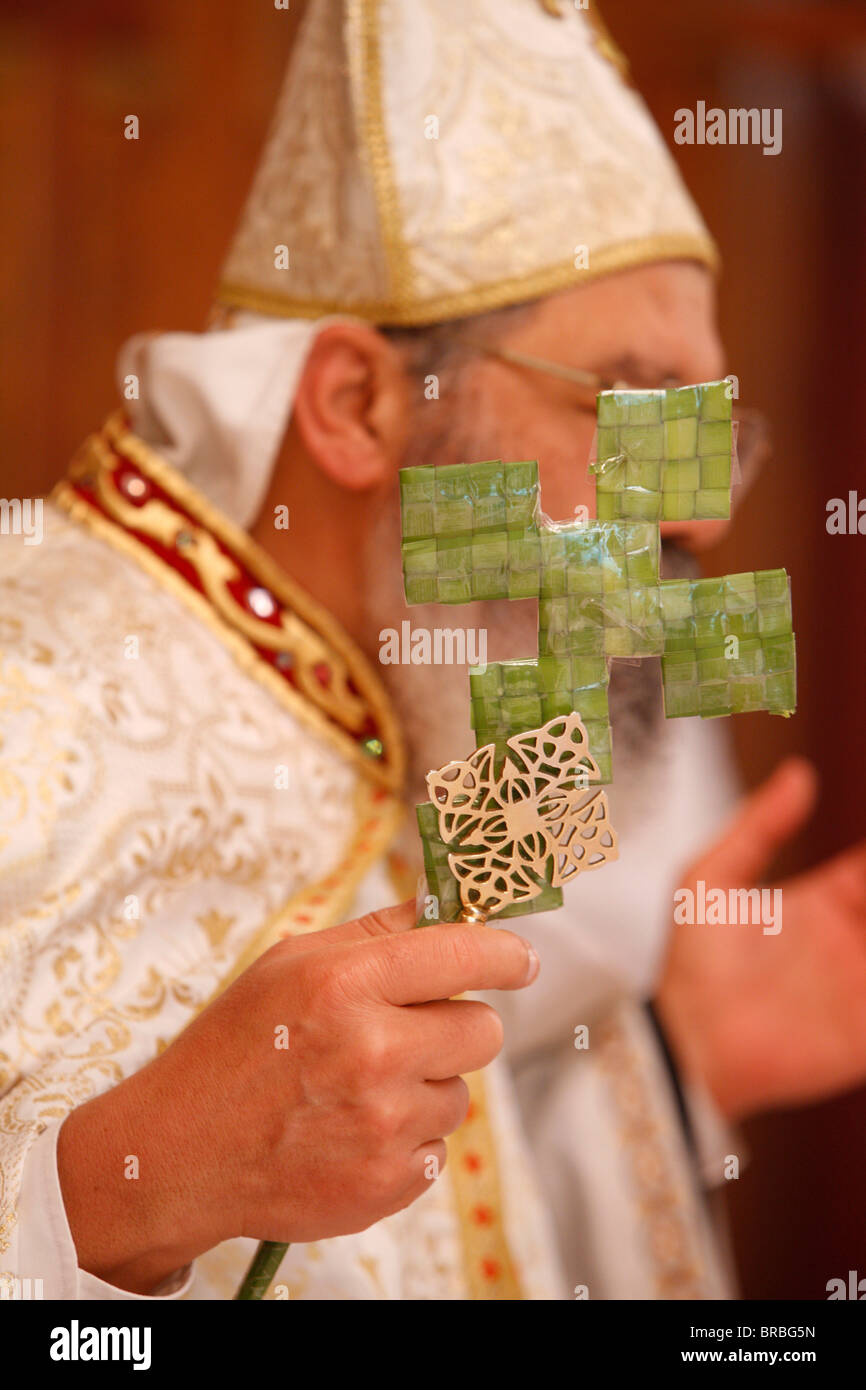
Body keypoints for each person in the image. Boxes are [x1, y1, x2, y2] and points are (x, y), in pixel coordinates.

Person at [3, 0, 865, 1301]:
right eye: (629, 407)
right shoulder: (29, 685)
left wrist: (683, 1063)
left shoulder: (460, 698)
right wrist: (133, 1175)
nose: (692, 508)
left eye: (704, 432)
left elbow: (464, 1200)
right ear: (357, 405)